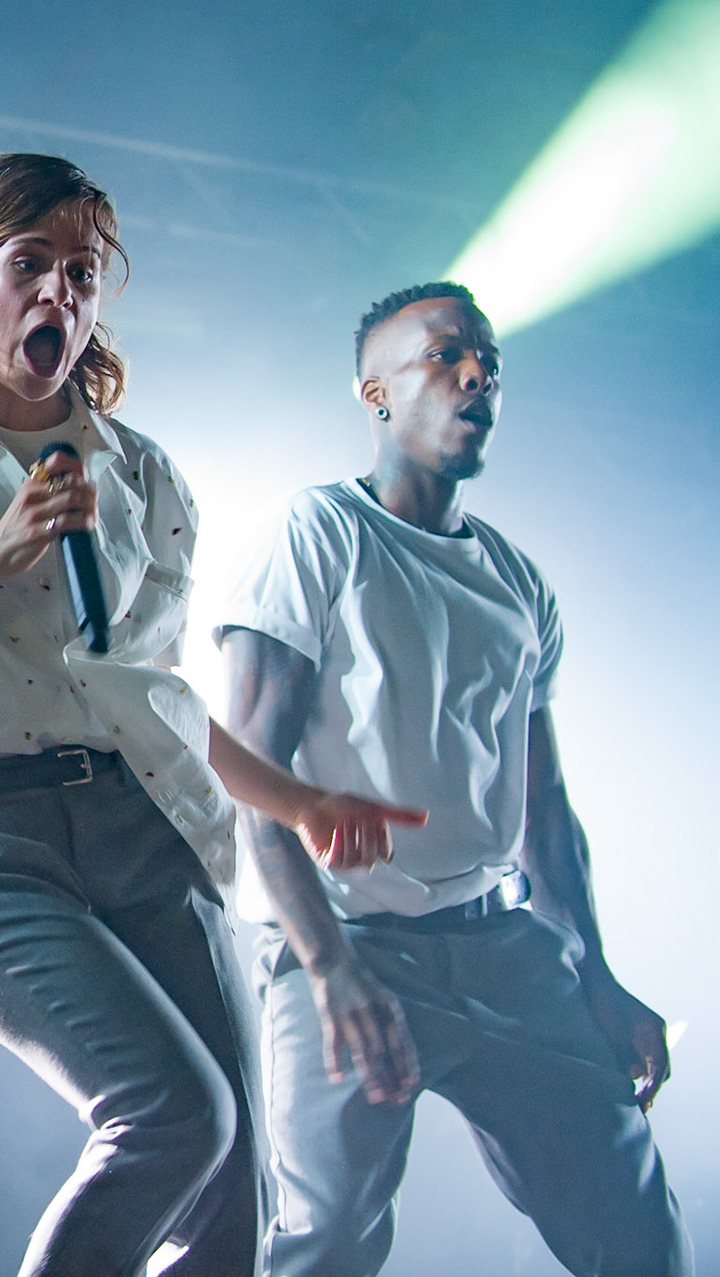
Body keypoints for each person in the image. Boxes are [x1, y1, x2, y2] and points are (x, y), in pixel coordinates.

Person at [0, 153, 421, 1277]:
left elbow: (150, 698)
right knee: (173, 1117)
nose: (58, 293)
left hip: (148, 826)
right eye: (28, 263)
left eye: (81, 272)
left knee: (236, 1208)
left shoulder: (142, 474)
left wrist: (301, 800)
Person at [216, 281, 688, 1277]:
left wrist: (597, 973)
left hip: (504, 947)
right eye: (446, 355)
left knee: (641, 1237)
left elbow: (545, 808)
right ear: (376, 394)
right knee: (325, 1243)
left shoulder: (519, 582)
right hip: (348, 941)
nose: (478, 374)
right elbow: (253, 778)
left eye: (490, 363)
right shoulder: (321, 531)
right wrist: (329, 966)